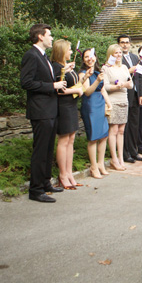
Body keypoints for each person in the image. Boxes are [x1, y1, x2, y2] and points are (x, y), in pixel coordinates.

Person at [20, 23, 66, 203]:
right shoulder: (31, 55)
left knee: (47, 150)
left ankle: (46, 183)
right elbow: (26, 82)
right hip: (40, 110)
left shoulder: (43, 56)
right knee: (40, 151)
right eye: (49, 35)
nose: (52, 38)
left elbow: (45, 77)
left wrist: (60, 76)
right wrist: (52, 86)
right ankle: (36, 190)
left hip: (50, 109)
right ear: (40, 36)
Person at [50, 39, 84, 190]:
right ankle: (62, 174)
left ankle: (69, 173)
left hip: (71, 105)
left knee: (71, 139)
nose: (71, 52)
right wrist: (76, 90)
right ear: (62, 51)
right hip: (62, 106)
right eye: (69, 49)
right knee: (64, 140)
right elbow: (59, 90)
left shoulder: (65, 66)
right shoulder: (56, 67)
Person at [79, 48, 112, 179]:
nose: (89, 59)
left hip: (100, 103)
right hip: (90, 105)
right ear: (83, 60)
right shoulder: (83, 74)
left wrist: (109, 103)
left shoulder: (98, 72)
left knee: (103, 135)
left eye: (91, 56)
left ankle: (100, 163)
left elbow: (102, 90)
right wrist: (97, 80)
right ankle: (93, 166)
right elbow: (87, 92)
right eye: (86, 57)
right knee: (93, 137)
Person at [102, 44, 133, 171]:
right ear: (111, 54)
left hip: (124, 100)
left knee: (121, 131)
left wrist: (123, 85)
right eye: (116, 53)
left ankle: (121, 158)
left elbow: (131, 84)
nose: (118, 55)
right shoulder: (106, 68)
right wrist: (118, 86)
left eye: (120, 53)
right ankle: (114, 159)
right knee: (113, 131)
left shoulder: (124, 67)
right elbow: (105, 87)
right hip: (113, 101)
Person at [118, 34, 142, 164]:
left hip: (135, 95)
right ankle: (125, 153)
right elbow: (115, 76)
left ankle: (134, 151)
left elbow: (140, 78)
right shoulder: (116, 59)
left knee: (134, 125)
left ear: (130, 44)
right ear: (118, 44)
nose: (125, 45)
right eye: (122, 42)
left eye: (127, 42)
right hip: (123, 95)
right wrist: (129, 71)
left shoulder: (135, 57)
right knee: (125, 126)